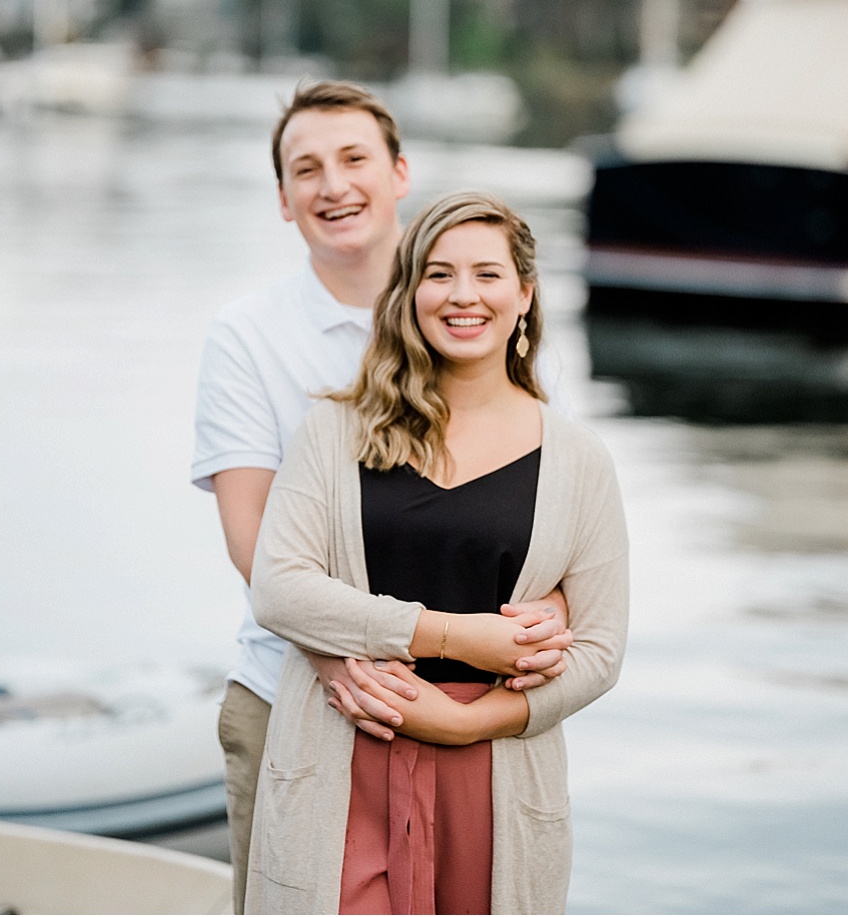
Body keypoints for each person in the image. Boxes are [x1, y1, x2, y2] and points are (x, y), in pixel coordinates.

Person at [192, 84, 575, 912]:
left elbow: (545, 506)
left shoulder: (479, 310)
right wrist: (346, 662)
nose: (333, 184)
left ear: (400, 172)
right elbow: (252, 541)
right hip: (295, 689)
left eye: (354, 158)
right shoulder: (249, 336)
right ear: (284, 202)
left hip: (474, 701)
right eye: (307, 168)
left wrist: (545, 610)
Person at [248, 191, 629, 915]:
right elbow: (279, 588)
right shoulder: (334, 429)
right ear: (408, 292)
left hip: (494, 768)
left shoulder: (577, 460)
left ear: (523, 294)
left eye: (486, 274)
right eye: (438, 273)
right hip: (344, 746)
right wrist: (452, 635)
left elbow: (600, 649)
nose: (462, 295)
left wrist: (464, 720)